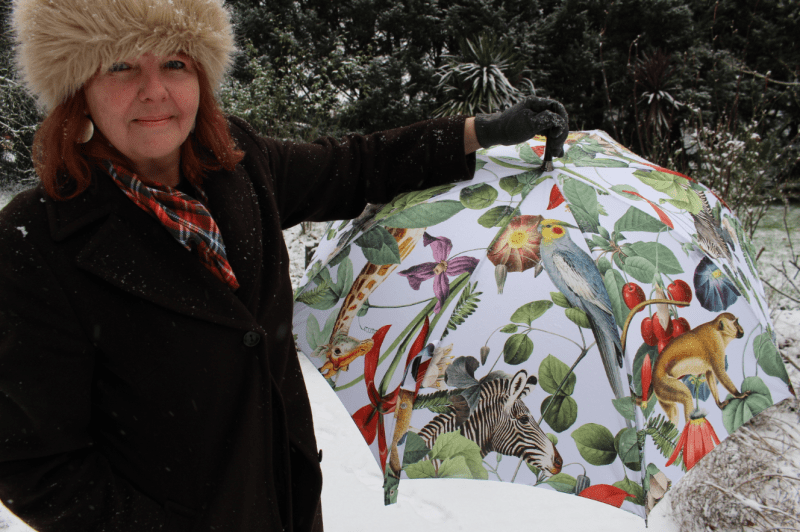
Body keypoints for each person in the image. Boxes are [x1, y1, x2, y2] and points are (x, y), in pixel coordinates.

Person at [0, 0, 569, 530]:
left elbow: (353, 165)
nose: (154, 91)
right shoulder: (36, 241)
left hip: (287, 505)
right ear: (78, 87)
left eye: (175, 63)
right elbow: (34, 464)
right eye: (121, 66)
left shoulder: (238, 164)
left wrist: (480, 132)